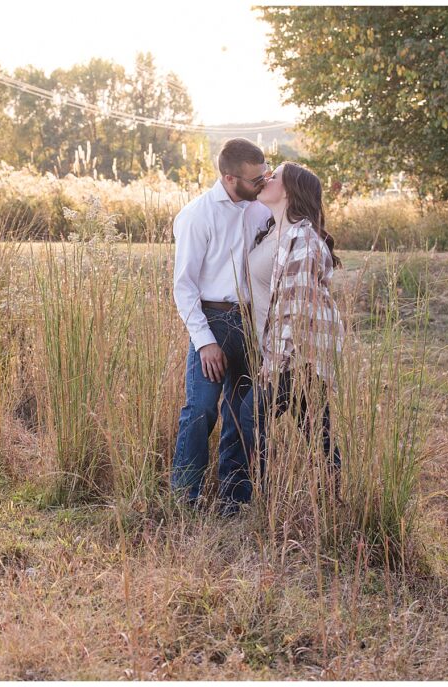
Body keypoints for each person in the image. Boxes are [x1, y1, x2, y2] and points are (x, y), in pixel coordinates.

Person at [229, 161, 346, 511]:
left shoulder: (303, 238)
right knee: (315, 429)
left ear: (291, 190)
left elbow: (297, 308)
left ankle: (256, 500)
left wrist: (276, 361)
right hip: (276, 353)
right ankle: (330, 499)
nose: (267, 179)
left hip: (295, 356)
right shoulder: (272, 232)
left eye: (274, 176)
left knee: (250, 417)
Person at [171, 138, 272, 512]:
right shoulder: (197, 215)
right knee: (201, 410)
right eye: (254, 179)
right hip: (212, 321)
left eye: (264, 176)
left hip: (251, 321)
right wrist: (204, 341)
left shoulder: (260, 208)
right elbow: (183, 286)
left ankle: (235, 500)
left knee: (241, 413)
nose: (262, 184)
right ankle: (184, 499)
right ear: (230, 179)